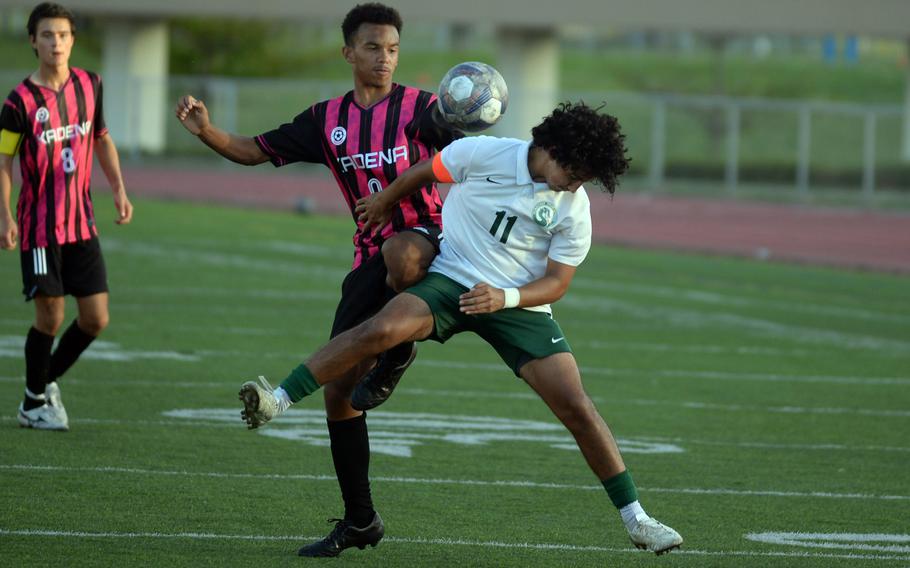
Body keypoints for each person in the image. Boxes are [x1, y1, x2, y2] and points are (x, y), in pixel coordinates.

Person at [239, 102, 685, 555]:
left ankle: (638, 520)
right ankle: (278, 400)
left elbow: (557, 283)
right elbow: (426, 171)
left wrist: (504, 297)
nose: (575, 183)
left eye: (586, 177)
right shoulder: (484, 152)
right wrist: (384, 200)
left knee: (576, 406)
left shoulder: (574, 207)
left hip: (518, 305)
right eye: (573, 170)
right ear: (549, 147)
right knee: (378, 330)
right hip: (451, 279)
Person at [175, 2, 462, 557]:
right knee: (338, 393)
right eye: (373, 47)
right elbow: (253, 151)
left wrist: (473, 116)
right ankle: (360, 521)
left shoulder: (423, 109)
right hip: (366, 258)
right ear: (348, 52)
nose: (384, 58)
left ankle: (399, 352)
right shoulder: (325, 120)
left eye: (393, 49)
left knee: (403, 254)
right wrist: (206, 130)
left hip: (427, 242)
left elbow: (470, 152)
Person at [0, 2, 133, 432]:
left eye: (62, 35)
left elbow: (102, 138)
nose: (55, 43)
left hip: (82, 223)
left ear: (72, 40)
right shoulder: (18, 102)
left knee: (96, 318)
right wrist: (4, 215)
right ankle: (34, 402)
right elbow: (3, 162)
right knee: (51, 316)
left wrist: (117, 188)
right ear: (33, 42)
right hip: (39, 227)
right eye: (47, 35)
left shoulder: (90, 85)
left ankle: (42, 383)